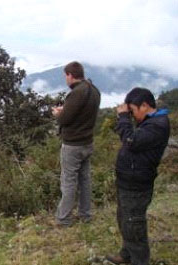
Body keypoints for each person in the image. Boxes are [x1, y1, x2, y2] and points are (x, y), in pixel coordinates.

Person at [106, 88, 170, 265]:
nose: (132, 115)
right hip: (128, 181)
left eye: (133, 110)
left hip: (137, 184)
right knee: (125, 220)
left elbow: (130, 141)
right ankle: (127, 254)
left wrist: (123, 118)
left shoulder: (158, 125)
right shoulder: (150, 122)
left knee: (134, 224)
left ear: (145, 105)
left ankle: (140, 261)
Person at [52, 61, 101, 226]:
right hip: (87, 142)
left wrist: (59, 114)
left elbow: (65, 119)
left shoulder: (76, 93)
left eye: (66, 76)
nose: (65, 79)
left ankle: (64, 218)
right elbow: (83, 115)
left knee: (69, 181)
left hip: (73, 145)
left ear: (70, 75)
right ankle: (85, 214)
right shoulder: (94, 91)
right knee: (85, 180)